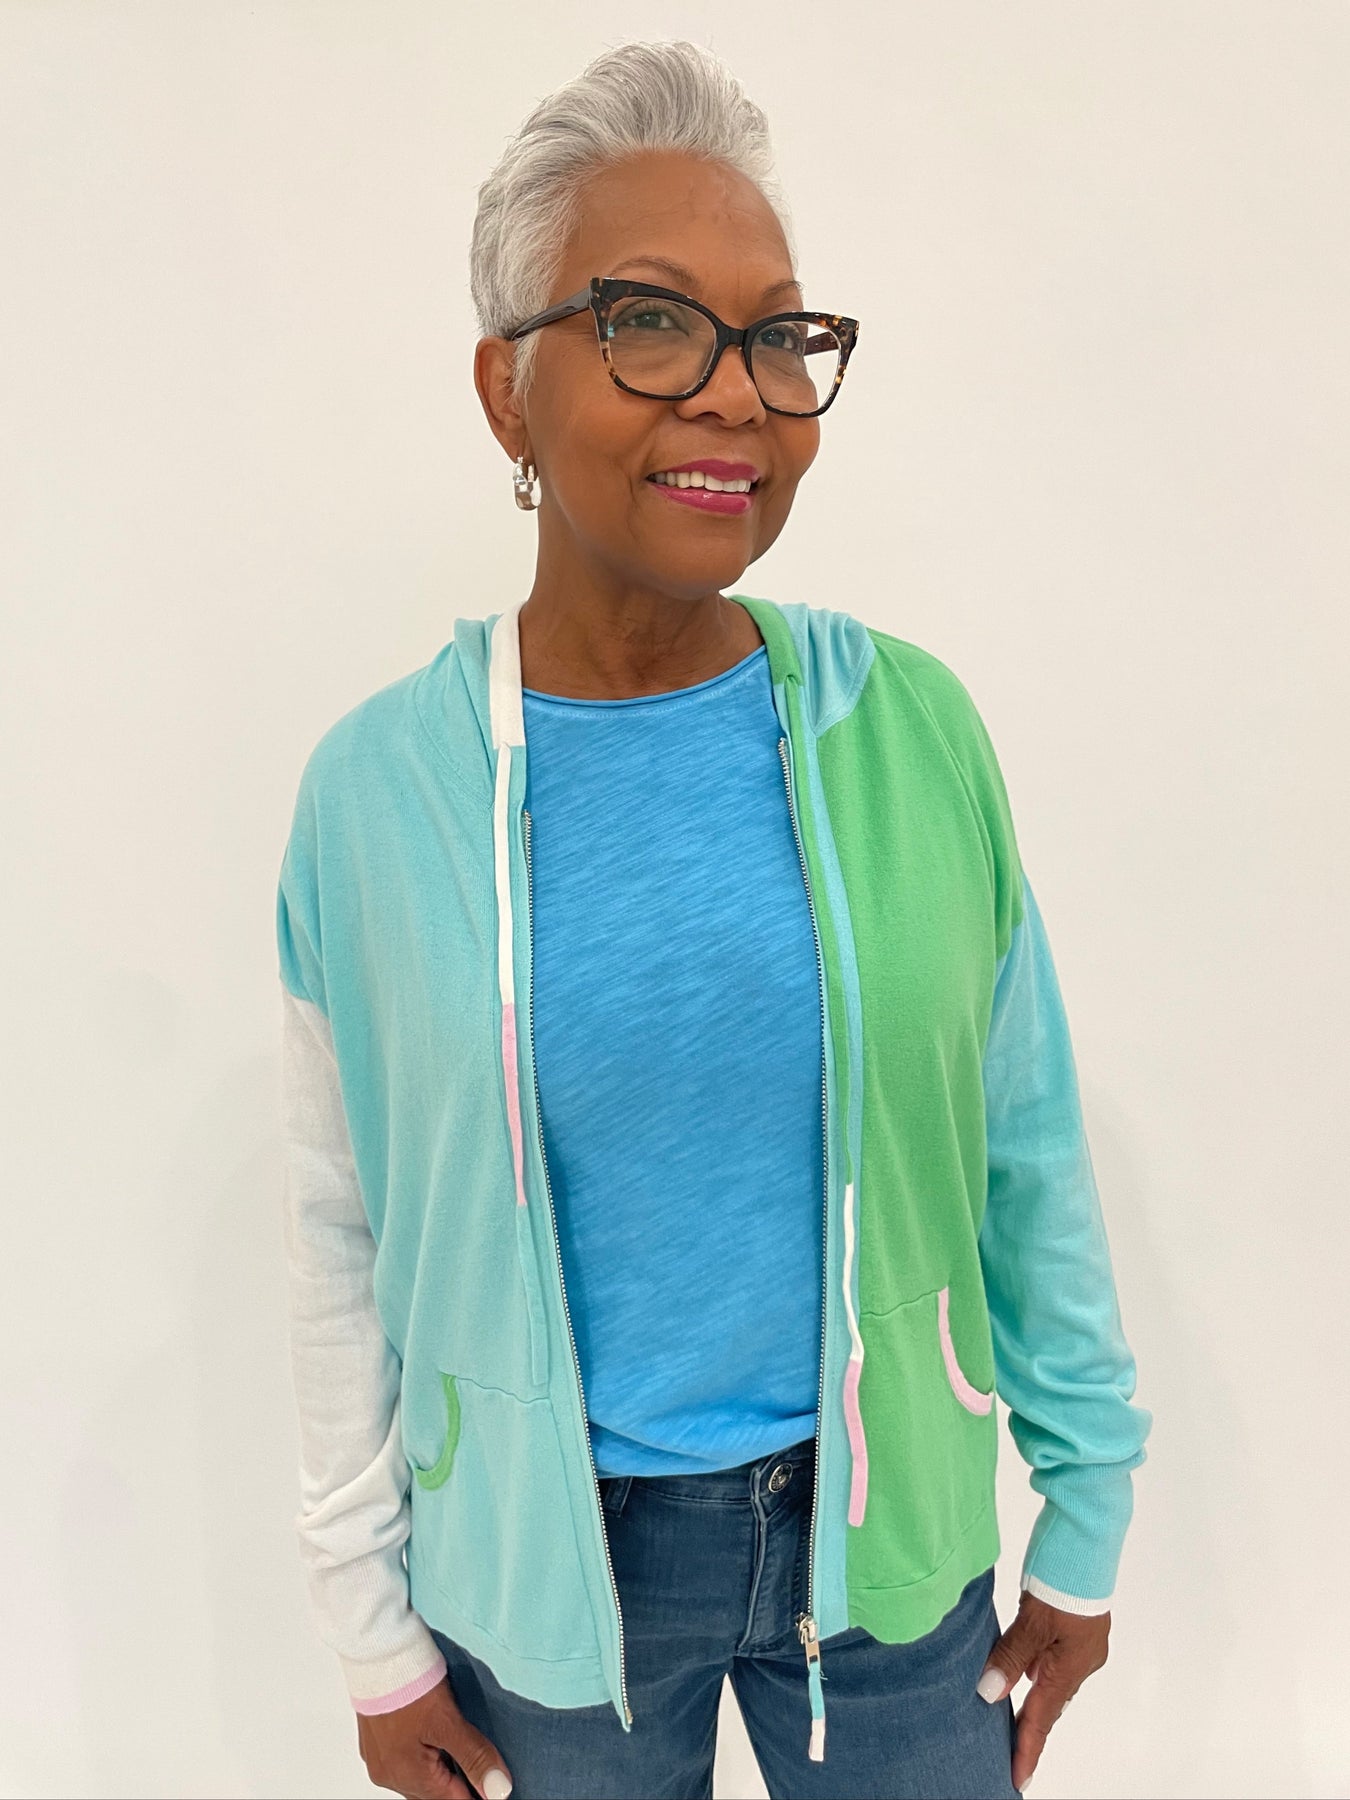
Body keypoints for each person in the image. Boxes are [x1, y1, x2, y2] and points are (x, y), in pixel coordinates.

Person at [276, 38, 1152, 1800]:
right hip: (546, 1576)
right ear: (506, 391)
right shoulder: (374, 794)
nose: (738, 394)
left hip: (890, 1534)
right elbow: (338, 1231)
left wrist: (1086, 1512)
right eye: (650, 324)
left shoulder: (909, 729)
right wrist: (368, 1631)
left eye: (777, 338)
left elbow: (1022, 1141)